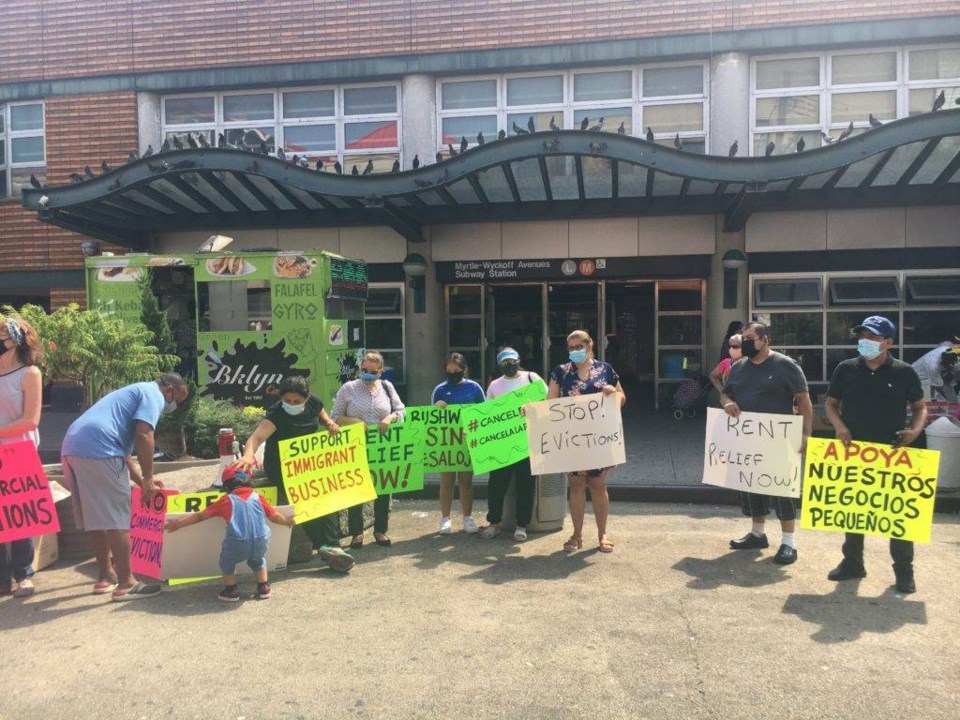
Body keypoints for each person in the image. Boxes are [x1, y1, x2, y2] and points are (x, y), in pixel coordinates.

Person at [61, 373, 190, 600]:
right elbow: (144, 434)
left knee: (98, 516)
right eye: (177, 399)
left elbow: (124, 452)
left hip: (74, 445)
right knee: (118, 518)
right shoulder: (153, 394)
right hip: (101, 447)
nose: (174, 405)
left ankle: (105, 576)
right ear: (168, 389)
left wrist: (140, 480)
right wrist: (149, 476)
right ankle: (127, 583)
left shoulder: (134, 391)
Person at [823, 315, 927, 594]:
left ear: (888, 343)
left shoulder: (904, 372)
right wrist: (840, 426)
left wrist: (915, 431)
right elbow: (831, 404)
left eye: (872, 337)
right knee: (854, 510)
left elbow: (920, 406)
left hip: (894, 452)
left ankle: (904, 570)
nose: (865, 341)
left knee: (897, 516)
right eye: (862, 336)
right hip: (854, 451)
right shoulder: (845, 369)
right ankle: (853, 562)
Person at [233, 375, 354, 572]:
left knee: (328, 494)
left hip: (308, 464)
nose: (291, 404)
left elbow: (324, 418)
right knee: (302, 498)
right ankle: (325, 546)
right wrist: (248, 456)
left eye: (296, 401)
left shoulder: (313, 402)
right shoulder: (276, 413)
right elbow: (256, 437)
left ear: (306, 399)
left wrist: (331, 424)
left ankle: (333, 546)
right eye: (287, 401)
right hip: (282, 467)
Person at [720, 322, 812, 565]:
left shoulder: (785, 365)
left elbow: (803, 400)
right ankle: (757, 534)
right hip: (749, 440)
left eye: (750, 338)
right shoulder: (738, 367)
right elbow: (725, 392)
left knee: (781, 490)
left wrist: (805, 434)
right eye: (743, 338)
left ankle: (789, 542)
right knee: (752, 488)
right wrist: (727, 402)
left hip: (779, 439)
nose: (745, 343)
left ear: (765, 339)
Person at [547, 331, 626, 553]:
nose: (575, 351)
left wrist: (613, 394)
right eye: (570, 347)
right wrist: (531, 412)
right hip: (572, 440)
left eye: (579, 346)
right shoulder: (560, 372)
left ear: (590, 345)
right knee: (576, 485)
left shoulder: (606, 370)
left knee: (599, 485)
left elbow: (622, 398)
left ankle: (603, 535)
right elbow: (550, 404)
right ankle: (576, 535)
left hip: (599, 439)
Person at [165, 466, 294, 601]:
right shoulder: (258, 498)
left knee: (226, 562)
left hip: (238, 543)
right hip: (261, 540)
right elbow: (274, 516)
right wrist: (287, 521)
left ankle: (231, 590)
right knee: (258, 560)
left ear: (227, 485)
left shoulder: (226, 501)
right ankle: (263, 587)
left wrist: (178, 524)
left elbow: (200, 516)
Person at [332, 350, 404, 548]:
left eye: (372, 371)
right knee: (357, 488)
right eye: (364, 370)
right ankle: (357, 533)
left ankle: (380, 530)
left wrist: (389, 418)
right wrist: (354, 421)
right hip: (356, 445)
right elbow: (335, 416)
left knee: (382, 487)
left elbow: (401, 410)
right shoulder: (348, 388)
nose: (367, 374)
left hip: (382, 446)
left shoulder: (387, 388)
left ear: (380, 371)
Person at [481, 348, 547, 543]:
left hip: (527, 441)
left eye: (511, 361)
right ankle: (494, 523)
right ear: (499, 365)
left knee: (526, 484)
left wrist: (531, 408)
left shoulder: (532, 378)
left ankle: (522, 525)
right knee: (496, 485)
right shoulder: (495, 385)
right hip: (502, 443)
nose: (508, 366)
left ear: (518, 360)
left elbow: (547, 401)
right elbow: (487, 413)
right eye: (504, 363)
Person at [0, 316, 43, 598]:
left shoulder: (30, 374)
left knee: (20, 518)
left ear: (14, 340)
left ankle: (23, 575)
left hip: (18, 450)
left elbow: (31, 420)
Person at [431, 352, 485, 535]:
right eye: (449, 370)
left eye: (456, 370)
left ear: (464, 369)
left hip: (466, 441)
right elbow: (431, 419)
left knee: (466, 481)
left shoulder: (475, 388)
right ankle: (445, 518)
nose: (453, 373)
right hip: (446, 443)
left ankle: (467, 518)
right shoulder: (439, 389)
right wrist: (435, 409)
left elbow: (482, 414)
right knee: (446, 481)